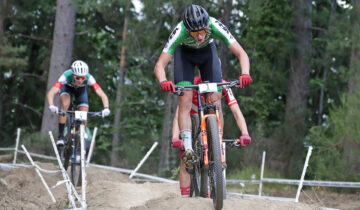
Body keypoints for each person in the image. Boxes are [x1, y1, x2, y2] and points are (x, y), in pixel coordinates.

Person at [154, 4, 251, 183]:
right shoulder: (179, 31)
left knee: (216, 98)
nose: (199, 36)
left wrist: (245, 73)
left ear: (208, 26)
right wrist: (163, 81)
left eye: (203, 31)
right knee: (185, 99)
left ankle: (217, 139)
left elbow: (241, 53)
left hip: (208, 55)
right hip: (185, 57)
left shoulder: (215, 25)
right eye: (194, 33)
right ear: (187, 30)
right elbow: (160, 65)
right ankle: (189, 149)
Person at [172, 76, 252, 197]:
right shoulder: (191, 83)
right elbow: (179, 114)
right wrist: (176, 137)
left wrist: (245, 133)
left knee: (218, 108)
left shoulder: (223, 84)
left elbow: (236, 110)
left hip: (211, 120)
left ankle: (216, 140)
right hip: (190, 122)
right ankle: (185, 198)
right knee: (185, 160)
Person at [46, 60, 110, 147]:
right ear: (73, 75)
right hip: (67, 88)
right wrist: (51, 105)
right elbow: (51, 92)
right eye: (78, 78)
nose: (80, 80)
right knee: (65, 104)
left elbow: (102, 94)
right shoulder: (65, 76)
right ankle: (60, 137)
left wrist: (106, 108)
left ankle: (80, 135)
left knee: (84, 111)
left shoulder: (89, 78)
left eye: (83, 78)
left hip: (81, 91)